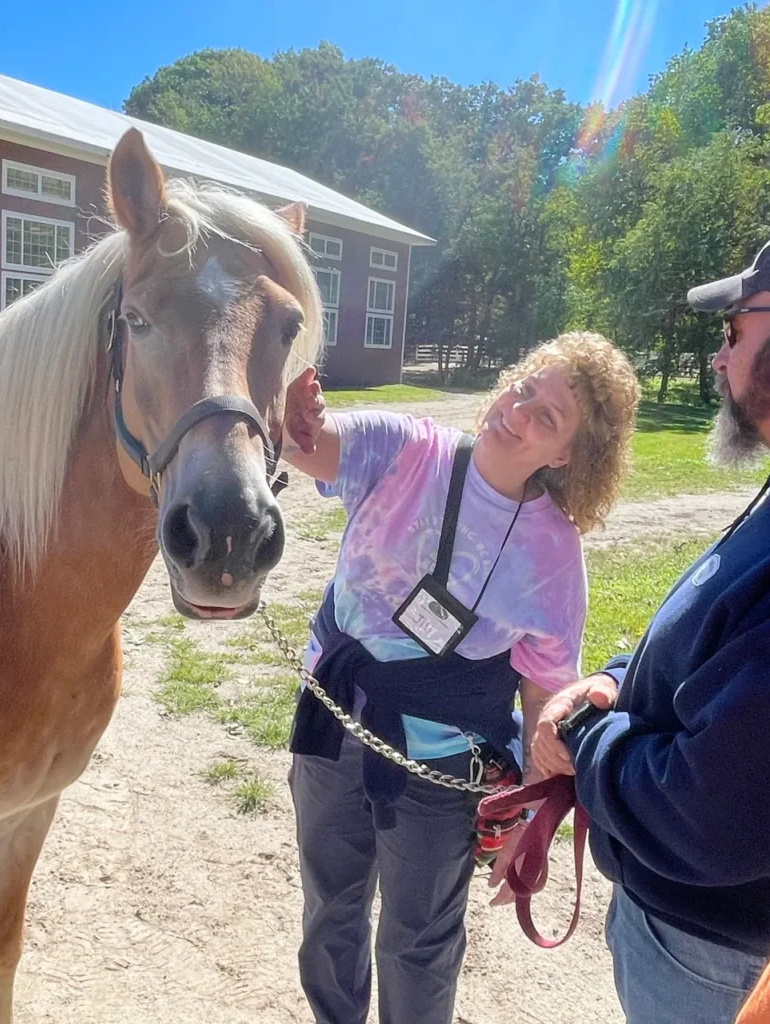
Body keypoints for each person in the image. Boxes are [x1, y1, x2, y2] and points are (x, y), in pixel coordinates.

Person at [280, 332, 640, 1024]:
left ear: (566, 455)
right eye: (526, 387)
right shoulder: (408, 448)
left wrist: (536, 816)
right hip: (331, 722)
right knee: (330, 910)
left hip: (441, 769)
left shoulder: (554, 553)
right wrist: (292, 402)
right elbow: (311, 444)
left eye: (549, 416)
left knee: (420, 941)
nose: (519, 410)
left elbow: (543, 700)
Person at [530, 240, 770, 1024]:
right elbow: (718, 639)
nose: (716, 357)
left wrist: (590, 732)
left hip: (713, 958)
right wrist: (619, 675)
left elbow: (710, 812)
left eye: (734, 333)